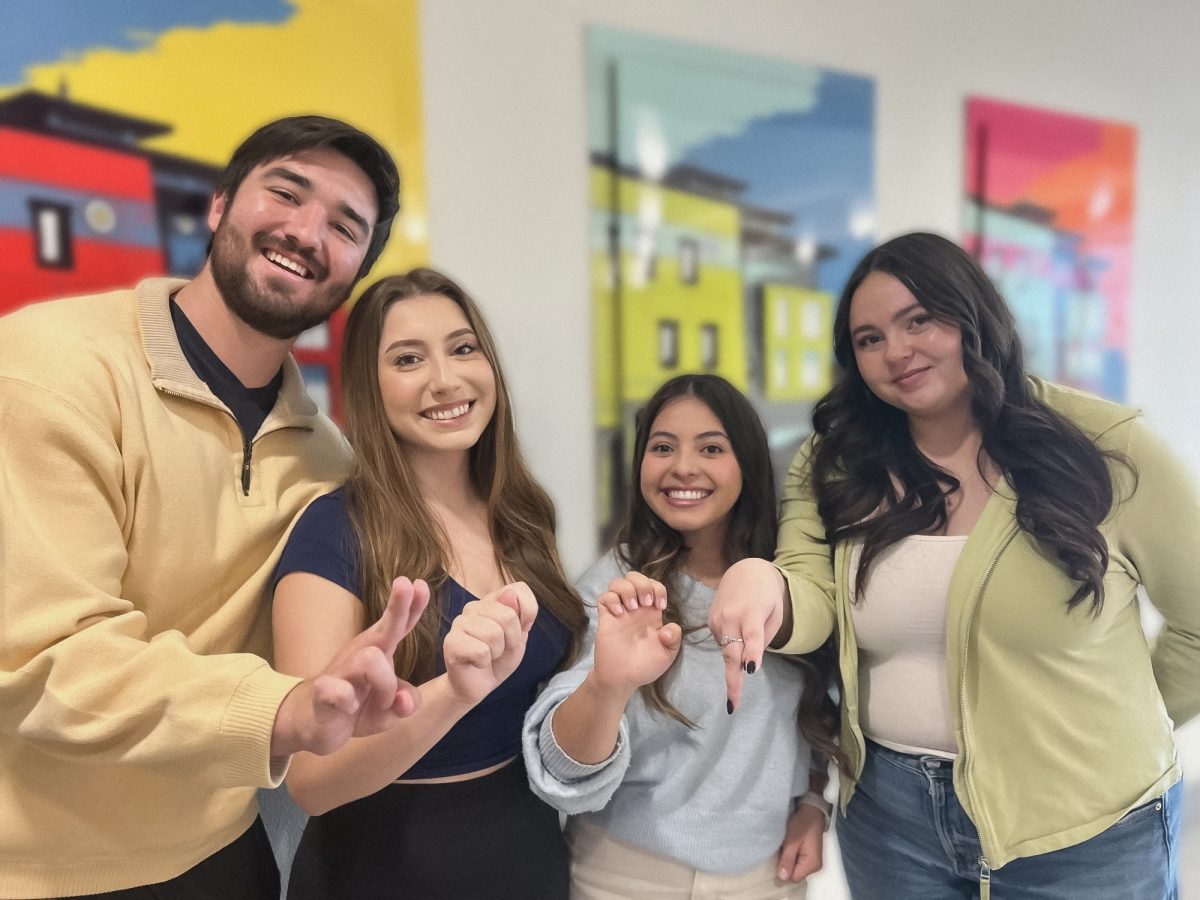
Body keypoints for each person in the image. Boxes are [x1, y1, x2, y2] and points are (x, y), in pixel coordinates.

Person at [0, 115, 430, 900]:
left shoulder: (327, 459)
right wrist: (284, 711)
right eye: (287, 192)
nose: (306, 232)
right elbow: (44, 658)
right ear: (221, 204)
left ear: (356, 269)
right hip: (46, 869)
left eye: (344, 225)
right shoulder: (48, 367)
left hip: (230, 854)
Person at [708, 231, 1199, 899]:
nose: (897, 352)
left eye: (919, 320)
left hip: (1083, 827)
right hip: (891, 820)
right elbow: (812, 597)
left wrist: (1110, 731)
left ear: (973, 316)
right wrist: (759, 581)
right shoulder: (837, 460)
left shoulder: (1105, 447)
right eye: (869, 339)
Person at [271, 268, 587, 899]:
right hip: (384, 869)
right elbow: (310, 781)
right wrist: (454, 693)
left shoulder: (523, 513)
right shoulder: (333, 531)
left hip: (527, 853)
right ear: (369, 385)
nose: (446, 380)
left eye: (463, 348)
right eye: (408, 359)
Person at [522, 373, 843, 899]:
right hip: (624, 876)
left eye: (711, 447)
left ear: (748, 462)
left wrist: (812, 803)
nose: (683, 467)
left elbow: (813, 714)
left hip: (765, 878)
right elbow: (559, 772)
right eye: (662, 447)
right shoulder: (617, 589)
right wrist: (608, 684)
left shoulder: (788, 584)